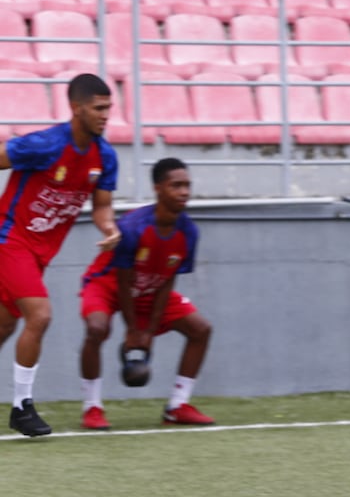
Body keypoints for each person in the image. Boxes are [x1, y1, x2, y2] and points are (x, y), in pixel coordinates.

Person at [0, 73, 120, 437]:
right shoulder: (46, 145)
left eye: (108, 108)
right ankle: (22, 408)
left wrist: (109, 228)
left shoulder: (105, 156)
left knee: (5, 325)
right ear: (76, 107)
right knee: (40, 315)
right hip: (10, 240)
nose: (105, 115)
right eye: (98, 108)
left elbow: (102, 206)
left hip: (41, 253)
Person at [78, 157, 213, 430]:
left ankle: (177, 406)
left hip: (151, 288)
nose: (184, 192)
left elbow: (168, 280)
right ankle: (92, 407)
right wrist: (133, 330)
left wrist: (149, 331)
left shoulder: (189, 232)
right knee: (96, 329)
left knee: (201, 329)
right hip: (109, 284)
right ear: (158, 189)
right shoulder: (133, 227)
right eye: (176, 185)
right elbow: (123, 282)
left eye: (187, 185)